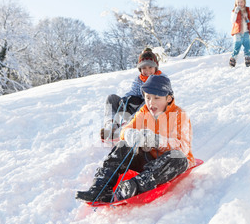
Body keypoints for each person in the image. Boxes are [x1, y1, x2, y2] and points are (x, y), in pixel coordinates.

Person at [76, 74, 195, 203]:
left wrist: (156, 140)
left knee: (178, 157)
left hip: (167, 164)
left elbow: (183, 147)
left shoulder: (179, 115)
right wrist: (129, 134)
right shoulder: (143, 112)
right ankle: (100, 186)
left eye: (157, 98)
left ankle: (131, 187)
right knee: (123, 145)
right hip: (147, 159)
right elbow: (126, 129)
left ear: (168, 98)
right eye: (148, 97)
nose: (151, 102)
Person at [101, 48, 164, 141]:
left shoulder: (160, 80)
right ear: (140, 69)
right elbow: (133, 91)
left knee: (148, 102)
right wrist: (125, 98)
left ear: (156, 67)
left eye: (150, 67)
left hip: (151, 112)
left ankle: (128, 127)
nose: (147, 71)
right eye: (144, 68)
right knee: (111, 98)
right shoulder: (138, 80)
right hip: (136, 110)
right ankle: (111, 126)